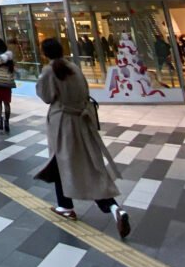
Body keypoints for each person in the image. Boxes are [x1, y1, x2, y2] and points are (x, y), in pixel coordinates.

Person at [34, 38, 131, 239]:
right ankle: (102, 208)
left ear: (44, 53)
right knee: (87, 166)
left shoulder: (49, 71)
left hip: (63, 124)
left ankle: (71, 206)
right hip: (81, 121)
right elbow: (85, 93)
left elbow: (46, 97)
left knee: (63, 164)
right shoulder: (74, 68)